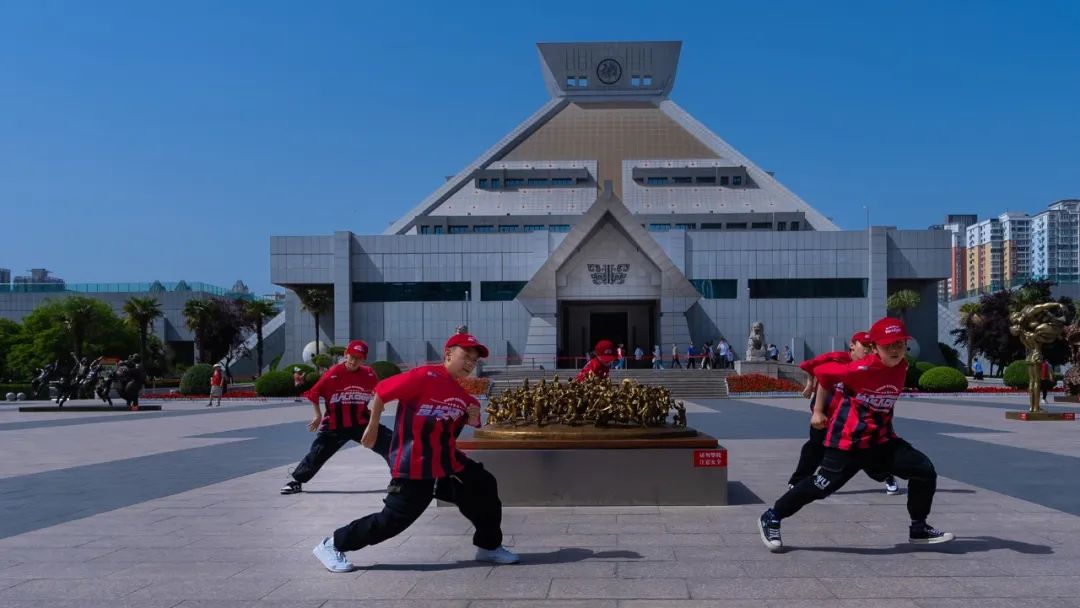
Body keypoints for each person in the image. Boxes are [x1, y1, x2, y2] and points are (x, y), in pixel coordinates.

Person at [312, 333, 519, 572]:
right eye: (466, 356)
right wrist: (372, 427)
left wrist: (472, 416)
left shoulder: (463, 397)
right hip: (414, 466)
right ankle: (333, 543)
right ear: (449, 354)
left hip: (448, 464)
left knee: (483, 485)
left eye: (474, 360)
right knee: (392, 521)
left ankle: (488, 546)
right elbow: (381, 392)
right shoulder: (424, 376)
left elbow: (459, 427)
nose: (471, 363)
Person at [758, 318, 953, 552]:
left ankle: (919, 528)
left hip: (882, 442)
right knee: (820, 487)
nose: (895, 350)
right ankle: (772, 516)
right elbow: (822, 373)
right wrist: (818, 411)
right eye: (888, 345)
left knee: (924, 470)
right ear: (875, 347)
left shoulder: (902, 367)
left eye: (899, 344)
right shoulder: (861, 368)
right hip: (847, 443)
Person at [786, 331, 896, 495]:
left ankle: (886, 476)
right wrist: (809, 384)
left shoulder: (873, 366)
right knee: (815, 447)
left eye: (870, 347)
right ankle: (798, 481)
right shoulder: (835, 358)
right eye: (863, 346)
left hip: (851, 419)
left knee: (863, 451)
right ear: (852, 345)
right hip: (825, 413)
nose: (867, 350)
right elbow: (809, 366)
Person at [281, 340, 393, 495]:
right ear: (346, 354)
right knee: (318, 452)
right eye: (351, 356)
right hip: (335, 425)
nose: (354, 361)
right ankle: (297, 481)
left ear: (364, 359)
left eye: (358, 358)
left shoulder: (368, 374)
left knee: (390, 443)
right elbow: (314, 392)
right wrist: (318, 415)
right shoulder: (334, 372)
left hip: (361, 423)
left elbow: (380, 392)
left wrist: (378, 407)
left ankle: (400, 480)